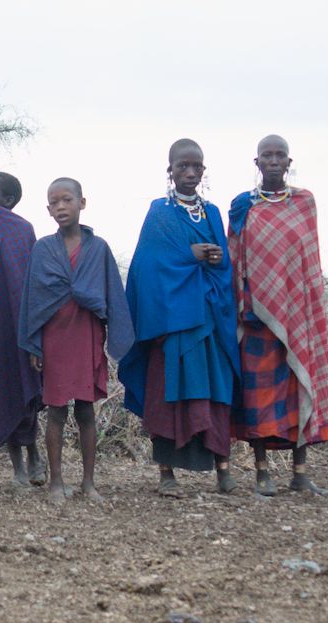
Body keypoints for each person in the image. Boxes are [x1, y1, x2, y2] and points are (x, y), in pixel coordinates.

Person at [118, 139, 239, 497]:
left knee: (216, 391)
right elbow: (148, 266)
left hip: (209, 318)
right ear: (169, 171)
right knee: (167, 394)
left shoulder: (214, 212)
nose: (189, 173)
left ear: (204, 170)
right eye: (182, 166)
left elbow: (226, 268)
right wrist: (190, 255)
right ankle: (166, 473)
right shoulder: (160, 213)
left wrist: (217, 261)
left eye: (196, 166)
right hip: (172, 322)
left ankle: (224, 470)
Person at [228, 135, 328, 496]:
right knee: (259, 397)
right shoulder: (244, 207)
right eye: (266, 156)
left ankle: (300, 473)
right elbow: (234, 255)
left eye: (279, 156)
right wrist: (244, 304)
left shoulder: (305, 203)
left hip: (297, 314)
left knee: (296, 387)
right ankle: (261, 474)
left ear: (289, 162)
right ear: (256, 162)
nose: (273, 161)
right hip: (256, 316)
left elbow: (310, 261)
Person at [19, 178, 134, 503]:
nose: (60, 207)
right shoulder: (43, 248)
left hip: (87, 336)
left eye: (67, 200)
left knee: (86, 410)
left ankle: (89, 483)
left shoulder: (98, 248)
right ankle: (56, 482)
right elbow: (32, 300)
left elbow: (112, 293)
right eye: (54, 203)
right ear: (47, 209)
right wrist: (34, 345)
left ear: (82, 203)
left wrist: (113, 335)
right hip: (54, 338)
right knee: (55, 411)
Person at [0, 172, 45, 488]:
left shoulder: (22, 229)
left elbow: (28, 279)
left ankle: (34, 456)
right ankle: (17, 464)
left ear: (9, 201)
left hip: (19, 325)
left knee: (25, 391)